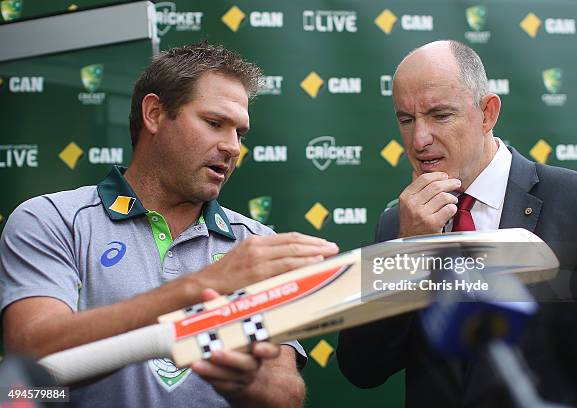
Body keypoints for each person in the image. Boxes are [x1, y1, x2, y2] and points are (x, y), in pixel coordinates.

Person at [0, 42, 339, 407]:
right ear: (154, 113)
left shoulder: (257, 244)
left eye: (240, 133)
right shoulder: (52, 220)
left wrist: (245, 382)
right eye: (214, 123)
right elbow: (30, 357)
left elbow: (287, 394)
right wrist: (200, 287)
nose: (232, 147)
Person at [337, 40, 577, 407]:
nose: (419, 139)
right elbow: (361, 369)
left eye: (440, 115)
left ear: (488, 113)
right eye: (406, 119)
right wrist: (406, 252)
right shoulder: (397, 224)